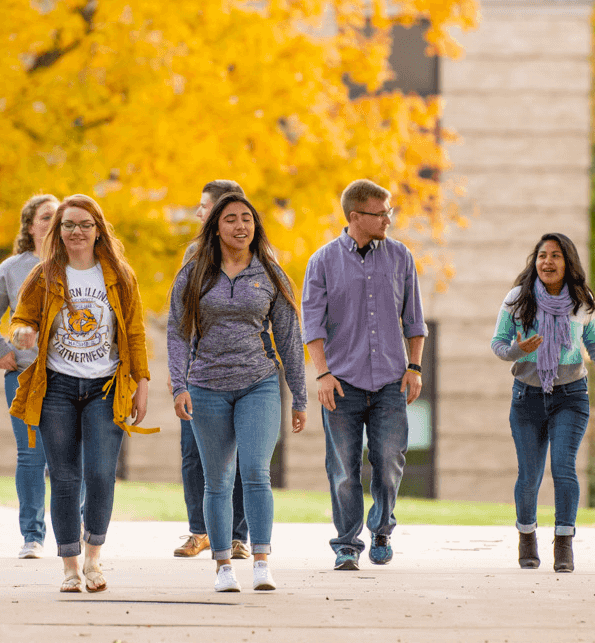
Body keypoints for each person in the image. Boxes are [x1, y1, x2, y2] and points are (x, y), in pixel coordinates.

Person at [8, 194, 154, 593]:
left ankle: (93, 558)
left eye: (84, 225)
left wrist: (142, 383)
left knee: (102, 474)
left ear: (98, 229)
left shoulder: (119, 275)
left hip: (105, 388)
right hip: (56, 386)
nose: (76, 231)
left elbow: (136, 332)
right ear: (58, 231)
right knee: (65, 478)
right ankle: (70, 567)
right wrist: (21, 330)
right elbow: (21, 316)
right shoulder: (44, 275)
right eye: (68, 225)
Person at [169, 191, 307, 592]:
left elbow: (288, 336)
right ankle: (223, 567)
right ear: (216, 226)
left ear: (255, 226)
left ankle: (262, 561)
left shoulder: (270, 274)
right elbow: (178, 334)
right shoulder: (193, 274)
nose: (240, 225)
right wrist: (180, 384)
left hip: (258, 383)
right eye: (230, 218)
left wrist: (298, 396)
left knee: (256, 472)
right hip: (206, 385)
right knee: (217, 480)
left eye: (247, 218)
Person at [301, 179, 426, 571]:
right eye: (381, 213)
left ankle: (382, 528)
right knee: (343, 468)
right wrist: (322, 375)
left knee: (389, 460)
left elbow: (415, 319)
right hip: (341, 383)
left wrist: (415, 366)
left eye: (390, 211)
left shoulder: (401, 257)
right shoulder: (322, 261)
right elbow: (312, 325)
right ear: (356, 217)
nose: (388, 219)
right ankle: (346, 545)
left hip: (390, 379)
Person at [490, 232, 595, 573]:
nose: (547, 262)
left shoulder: (582, 300)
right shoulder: (517, 299)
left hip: (571, 396)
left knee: (563, 468)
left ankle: (564, 542)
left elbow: (593, 340)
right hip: (527, 397)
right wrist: (521, 350)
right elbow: (499, 344)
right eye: (542, 255)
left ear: (568, 263)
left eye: (556, 256)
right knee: (529, 474)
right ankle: (527, 536)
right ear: (535, 262)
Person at [0, 193, 73, 559]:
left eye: (59, 217)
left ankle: (72, 532)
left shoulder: (80, 264)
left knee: (70, 457)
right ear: (30, 226)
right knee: (32, 455)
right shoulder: (13, 268)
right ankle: (32, 536)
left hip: (72, 376)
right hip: (25, 375)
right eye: (46, 217)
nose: (54, 223)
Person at [174, 180, 252, 561]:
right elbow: (182, 318)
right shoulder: (195, 254)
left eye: (203, 206)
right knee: (193, 453)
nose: (198, 213)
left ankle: (238, 537)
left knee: (237, 456)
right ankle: (199, 531)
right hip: (200, 372)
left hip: (243, 374)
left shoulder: (255, 253)